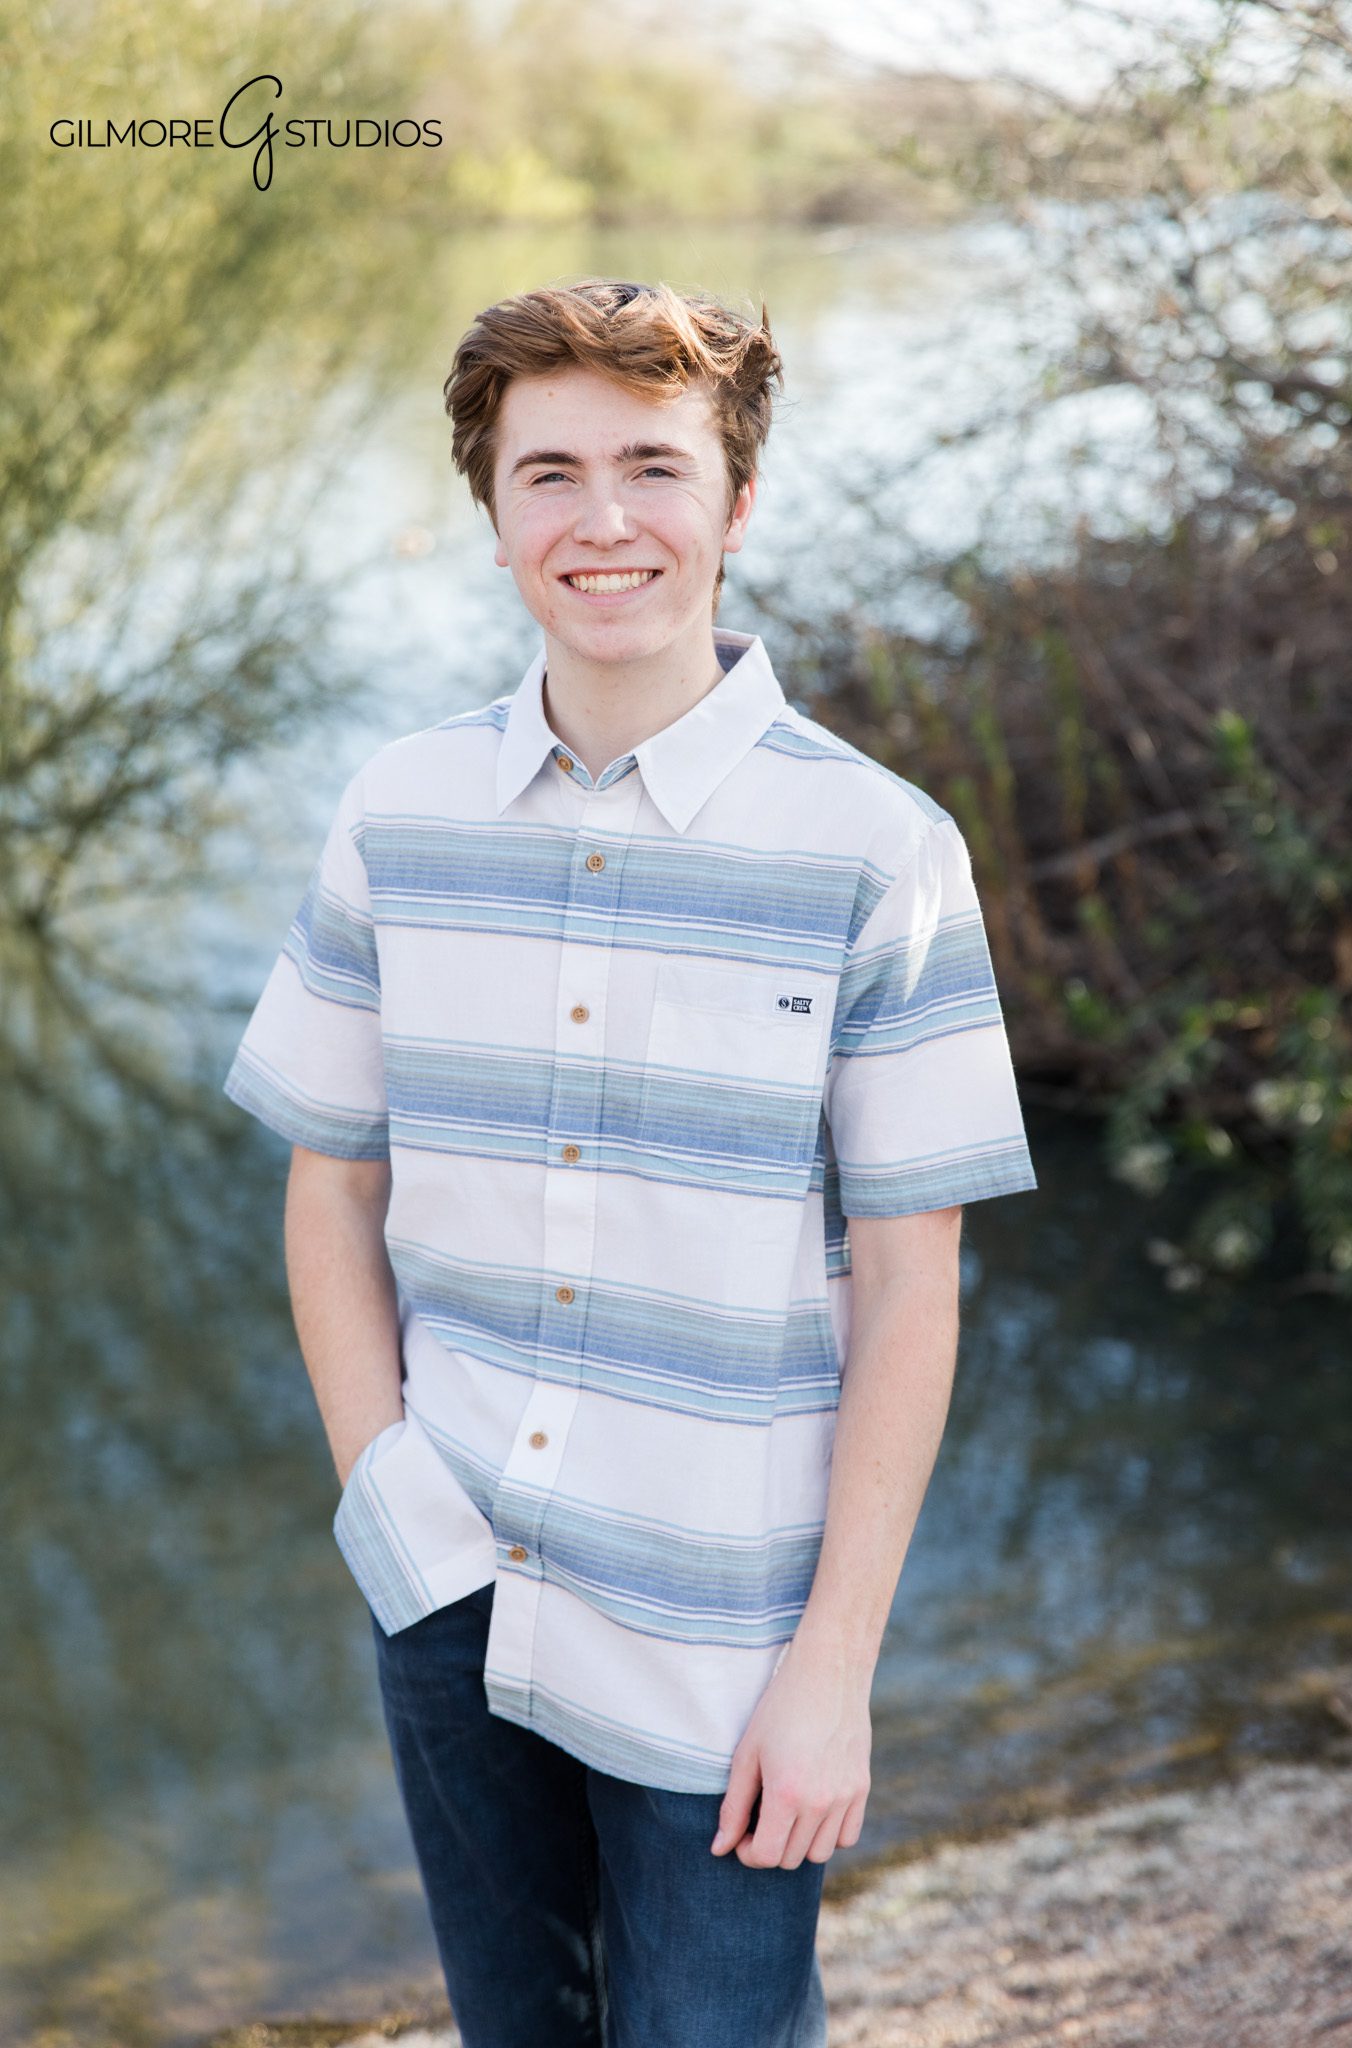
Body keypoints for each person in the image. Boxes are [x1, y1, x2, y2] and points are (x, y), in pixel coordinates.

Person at [223, 276, 1038, 2048]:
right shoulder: (396, 810)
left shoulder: (876, 851)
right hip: (451, 1588)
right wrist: (387, 1498)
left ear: (737, 504)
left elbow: (910, 1286)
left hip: (724, 1633)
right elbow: (330, 1185)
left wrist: (832, 1673)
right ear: (495, 514)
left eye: (654, 469)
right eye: (550, 474)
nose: (605, 523)